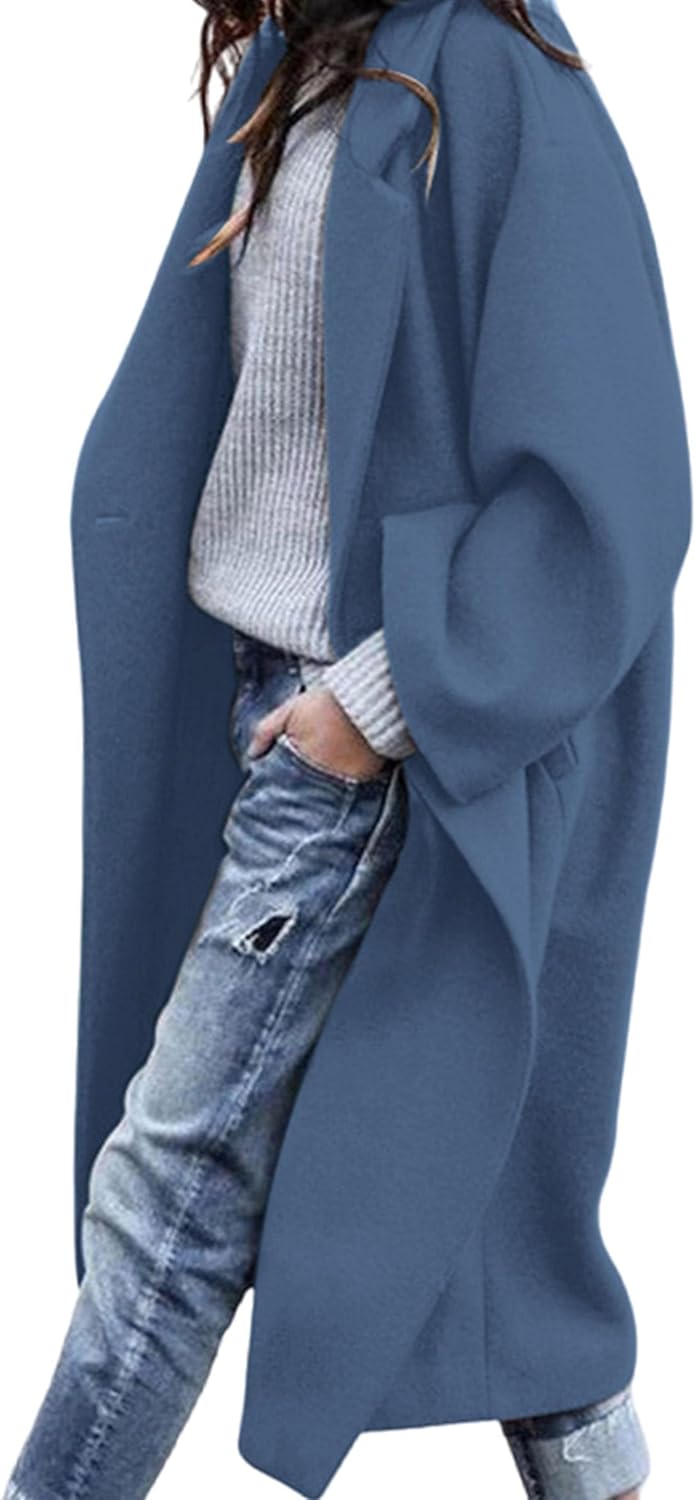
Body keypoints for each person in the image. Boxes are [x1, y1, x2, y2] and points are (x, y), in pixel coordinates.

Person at [4, 0, 684, 1496]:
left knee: (170, 1193)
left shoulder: (495, 73)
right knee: (479, 1207)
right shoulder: (300, 61)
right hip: (261, 703)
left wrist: (372, 710)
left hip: (354, 735)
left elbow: (612, 470)